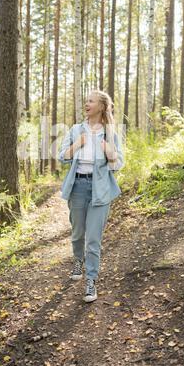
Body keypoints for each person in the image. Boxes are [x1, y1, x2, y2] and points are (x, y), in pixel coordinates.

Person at [57, 90, 124, 303]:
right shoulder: (76, 130)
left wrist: (109, 152)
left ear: (101, 106)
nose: (86, 104)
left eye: (91, 101)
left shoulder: (110, 133)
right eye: (86, 100)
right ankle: (78, 259)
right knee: (78, 233)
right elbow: (62, 157)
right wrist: (79, 143)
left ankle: (91, 281)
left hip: (100, 188)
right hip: (77, 186)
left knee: (94, 239)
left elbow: (118, 164)